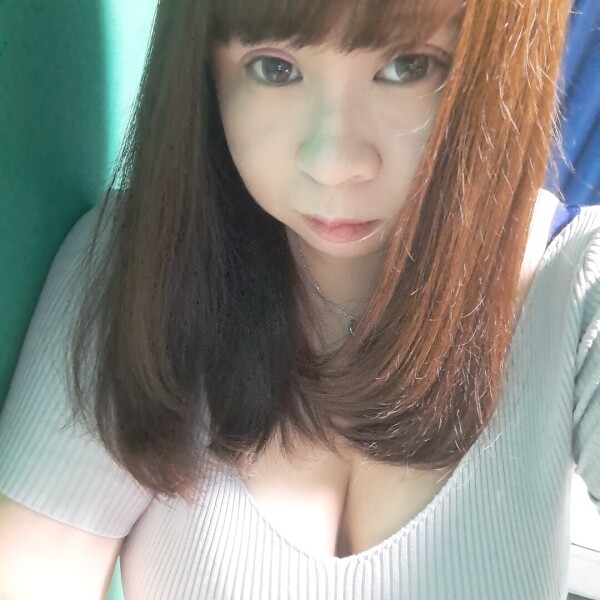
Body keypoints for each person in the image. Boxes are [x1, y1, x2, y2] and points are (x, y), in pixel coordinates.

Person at [0, 0, 597, 598]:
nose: (333, 164)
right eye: (275, 68)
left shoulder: (576, 278)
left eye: (408, 66)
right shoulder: (134, 269)